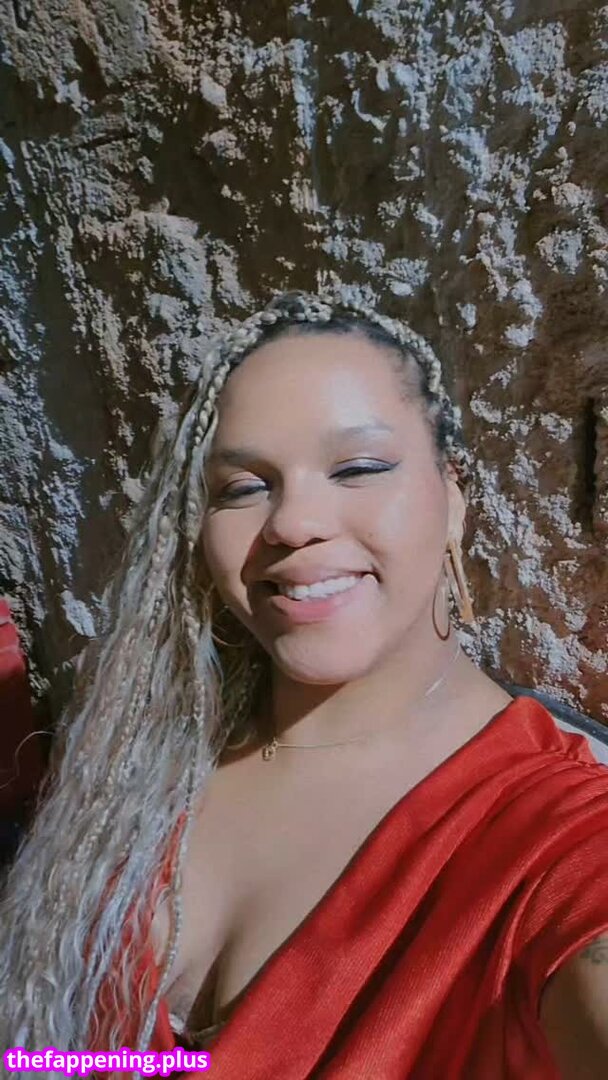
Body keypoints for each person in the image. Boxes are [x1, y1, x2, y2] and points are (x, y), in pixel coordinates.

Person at [1, 289, 608, 1079]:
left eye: (358, 469)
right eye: (242, 487)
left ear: (453, 499)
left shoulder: (557, 839)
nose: (292, 522)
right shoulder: (145, 768)